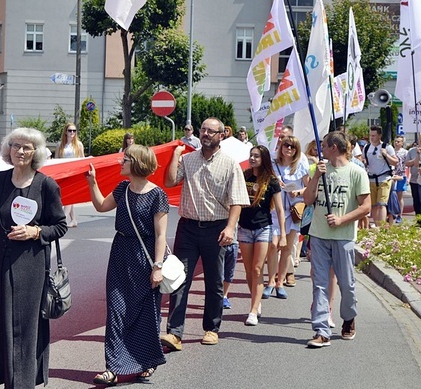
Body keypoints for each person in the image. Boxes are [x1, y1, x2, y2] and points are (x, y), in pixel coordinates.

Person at [0, 127, 68, 388]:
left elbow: (59, 225)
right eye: (16, 146)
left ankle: (22, 383)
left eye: (27, 147)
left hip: (30, 268)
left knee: (25, 328)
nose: (21, 151)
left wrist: (35, 231)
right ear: (8, 149)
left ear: (36, 153)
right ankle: (3, 378)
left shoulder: (46, 185)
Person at [161, 117, 249, 349]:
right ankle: (175, 333)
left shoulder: (231, 164)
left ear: (222, 135)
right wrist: (175, 155)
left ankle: (211, 328)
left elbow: (237, 200)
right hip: (188, 227)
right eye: (203, 130)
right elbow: (169, 182)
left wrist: (230, 228)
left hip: (216, 229)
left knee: (214, 282)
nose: (206, 134)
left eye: (211, 131)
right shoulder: (188, 159)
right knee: (179, 279)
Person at [86, 144, 168, 385]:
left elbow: (161, 235)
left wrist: (158, 266)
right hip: (121, 253)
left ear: (138, 163)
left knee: (145, 311)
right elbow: (101, 206)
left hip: (145, 258)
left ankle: (146, 361)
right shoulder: (122, 189)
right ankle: (112, 368)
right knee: (116, 311)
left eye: (126, 159)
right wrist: (92, 182)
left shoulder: (157, 194)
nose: (121, 163)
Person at [302, 131, 370, 348]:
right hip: (319, 234)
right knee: (319, 284)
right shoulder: (319, 170)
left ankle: (348, 318)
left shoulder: (356, 172)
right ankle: (321, 330)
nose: (320, 149)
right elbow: (307, 199)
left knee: (347, 285)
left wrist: (342, 220)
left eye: (323, 145)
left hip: (344, 237)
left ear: (333, 147)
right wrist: (315, 177)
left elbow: (366, 207)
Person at [238, 145, 285, 326]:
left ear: (263, 159)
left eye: (256, 156)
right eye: (251, 155)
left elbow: (280, 210)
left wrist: (281, 234)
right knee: (249, 271)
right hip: (244, 228)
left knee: (258, 269)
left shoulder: (272, 180)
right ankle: (255, 302)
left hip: (263, 228)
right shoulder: (245, 175)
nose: (252, 158)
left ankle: (253, 310)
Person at [269, 135, 309, 298]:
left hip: (292, 211)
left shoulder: (300, 167)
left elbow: (309, 187)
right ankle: (270, 281)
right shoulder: (272, 165)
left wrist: (298, 192)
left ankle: (280, 282)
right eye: (286, 145)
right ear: (281, 146)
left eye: (293, 147)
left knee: (287, 248)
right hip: (274, 212)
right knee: (272, 245)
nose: (289, 149)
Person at [362, 126, 397, 225]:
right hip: (371, 178)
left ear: (379, 135)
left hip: (384, 178)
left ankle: (381, 227)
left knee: (381, 204)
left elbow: (395, 162)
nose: (371, 138)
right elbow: (363, 159)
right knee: (373, 205)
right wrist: (364, 161)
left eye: (374, 135)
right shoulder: (367, 147)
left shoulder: (387, 147)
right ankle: (376, 224)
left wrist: (386, 155)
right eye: (370, 135)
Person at [56, 122, 85, 227]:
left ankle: (63, 218)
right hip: (63, 172)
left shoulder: (79, 144)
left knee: (69, 194)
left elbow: (82, 159)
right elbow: (56, 159)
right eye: (70, 130)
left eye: (74, 131)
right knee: (68, 195)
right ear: (66, 132)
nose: (72, 133)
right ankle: (73, 220)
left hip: (74, 172)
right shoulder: (60, 144)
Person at [404, 136, 421, 215]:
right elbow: (407, 163)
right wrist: (416, 158)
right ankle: (418, 217)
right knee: (416, 200)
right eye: (420, 141)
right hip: (414, 179)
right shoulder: (411, 151)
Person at [392, 136, 408, 223]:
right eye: (395, 141)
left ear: (402, 143)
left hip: (401, 175)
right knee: (391, 195)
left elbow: (407, 165)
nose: (396, 143)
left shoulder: (405, 152)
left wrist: (406, 176)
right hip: (392, 175)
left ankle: (400, 215)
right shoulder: (391, 151)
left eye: (398, 141)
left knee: (399, 196)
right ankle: (392, 213)